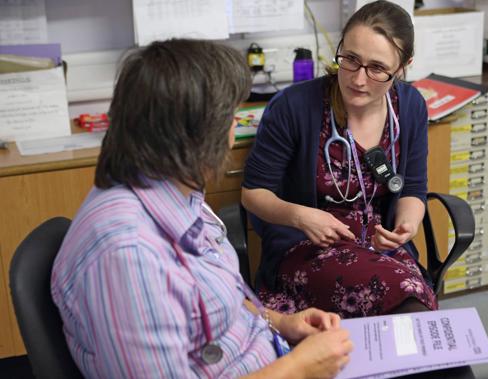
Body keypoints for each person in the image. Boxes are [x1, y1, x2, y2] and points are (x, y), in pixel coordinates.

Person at [50, 39, 353, 378]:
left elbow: (208, 297)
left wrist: (280, 322)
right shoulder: (127, 255)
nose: (234, 129)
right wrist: (299, 368)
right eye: (230, 118)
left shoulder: (170, 189)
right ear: (195, 136)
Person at [242, 0, 438, 318]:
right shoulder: (294, 107)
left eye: (377, 68)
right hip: (306, 247)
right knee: (407, 298)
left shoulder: (410, 106)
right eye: (350, 59)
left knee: (412, 303)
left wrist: (406, 226)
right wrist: (302, 217)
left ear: (404, 66)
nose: (358, 79)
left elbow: (413, 189)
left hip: (381, 248)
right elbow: (253, 194)